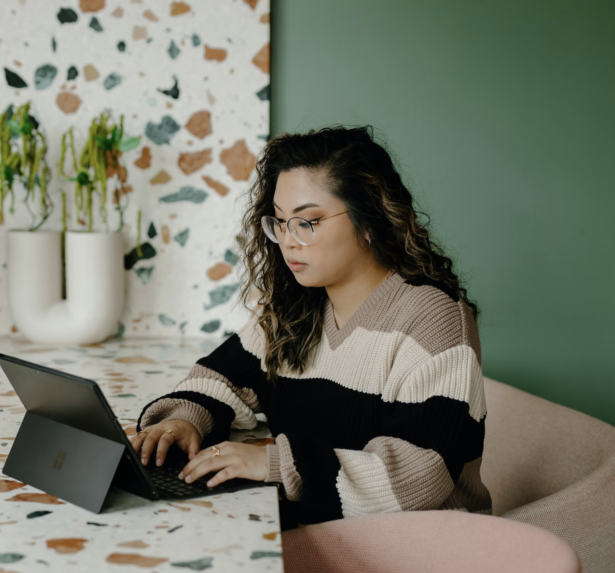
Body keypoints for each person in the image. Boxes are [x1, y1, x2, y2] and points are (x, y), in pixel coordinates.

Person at [131, 125, 491, 528]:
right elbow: (219, 378)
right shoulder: (295, 308)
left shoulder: (432, 317)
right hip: (326, 528)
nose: (287, 240)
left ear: (369, 218)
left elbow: (417, 478)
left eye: (307, 222)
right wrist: (184, 419)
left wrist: (274, 462)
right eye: (280, 223)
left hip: (419, 545)